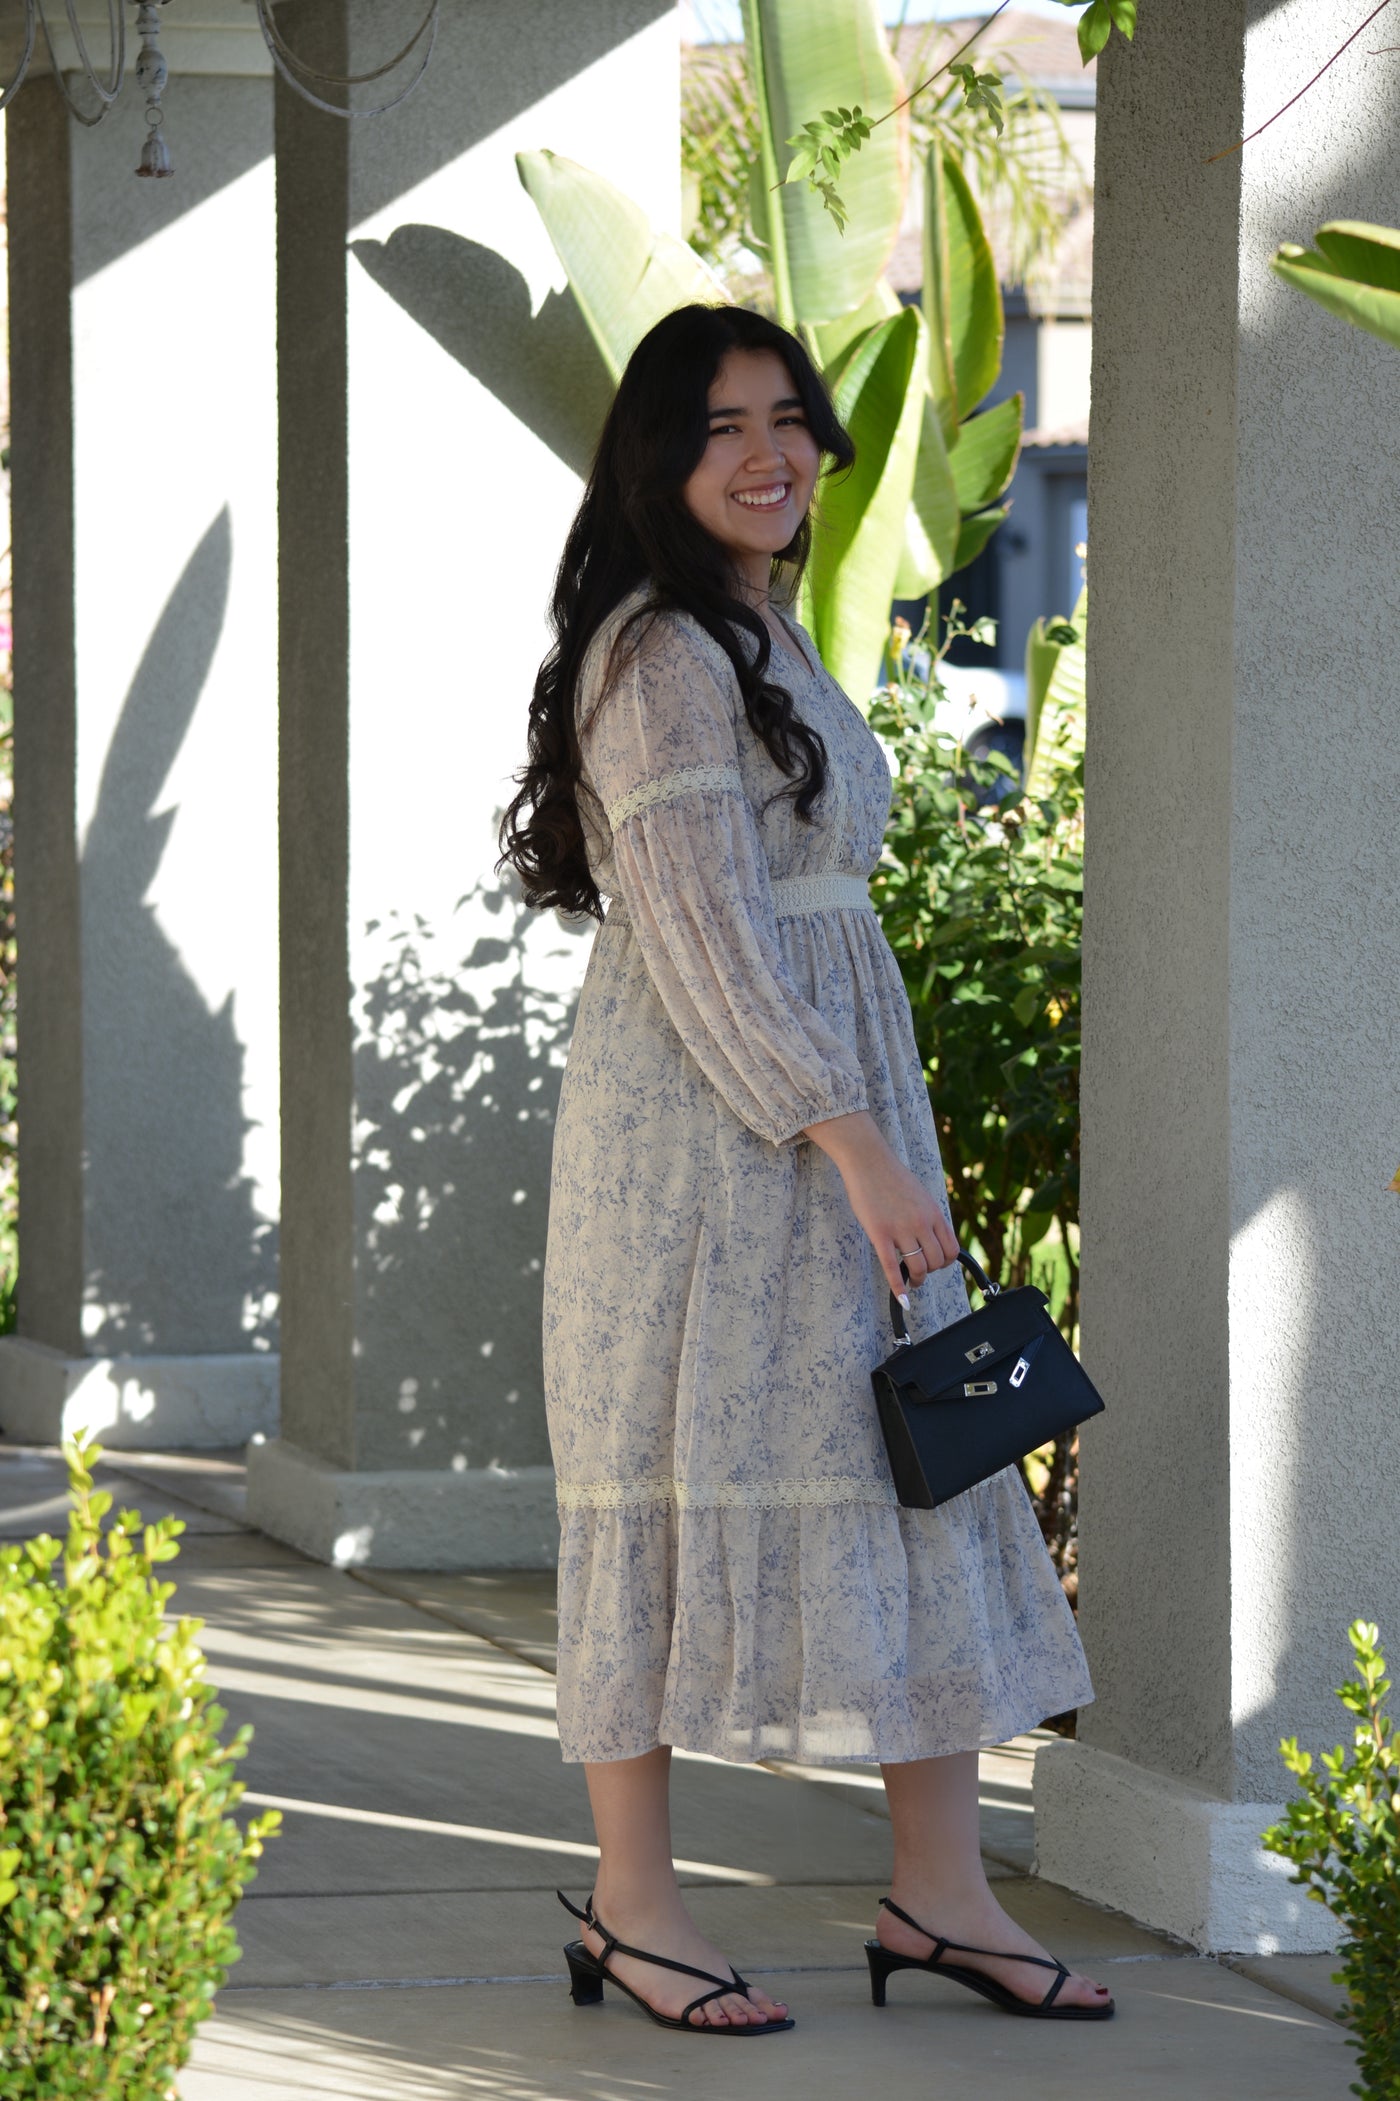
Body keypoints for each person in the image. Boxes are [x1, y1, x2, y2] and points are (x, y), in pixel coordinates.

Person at [499, 304, 1110, 2036]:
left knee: (919, 1452)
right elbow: (699, 938)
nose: (770, 454)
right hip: (713, 1144)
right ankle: (634, 1907)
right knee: (659, 1478)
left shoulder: (761, 634)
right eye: (722, 428)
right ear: (658, 461)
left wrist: (866, 1129)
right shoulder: (659, 654)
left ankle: (941, 1892)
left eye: (790, 418)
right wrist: (844, 1129)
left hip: (833, 1118)